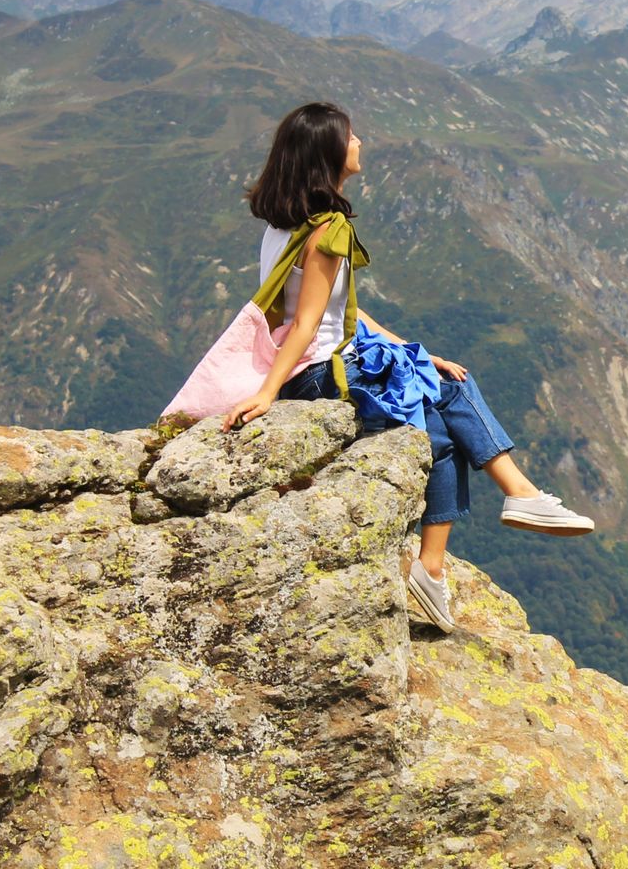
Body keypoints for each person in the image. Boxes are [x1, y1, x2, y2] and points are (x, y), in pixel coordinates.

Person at [221, 101, 594, 633]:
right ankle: (520, 495)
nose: (360, 143)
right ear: (329, 152)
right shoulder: (328, 228)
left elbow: (341, 309)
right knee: (449, 391)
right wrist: (267, 393)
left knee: (437, 425)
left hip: (316, 367)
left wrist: (418, 350)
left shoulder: (285, 226)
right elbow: (306, 326)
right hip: (323, 373)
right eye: (351, 137)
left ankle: (431, 569)